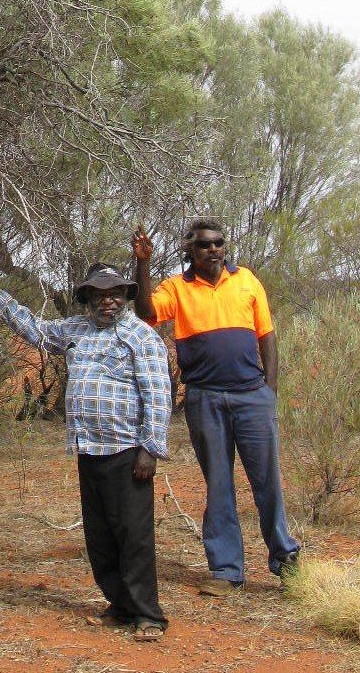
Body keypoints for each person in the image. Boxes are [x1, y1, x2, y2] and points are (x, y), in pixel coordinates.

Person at [0, 263, 171, 641]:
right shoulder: (75, 330)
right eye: (99, 295)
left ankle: (148, 615)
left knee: (134, 535)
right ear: (88, 299)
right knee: (100, 536)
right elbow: (36, 330)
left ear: (126, 297)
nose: (107, 301)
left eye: (115, 294)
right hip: (88, 449)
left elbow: (158, 395)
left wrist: (150, 448)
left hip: (126, 450)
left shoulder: (140, 337)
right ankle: (120, 604)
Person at [131, 218, 301, 595]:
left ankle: (286, 561)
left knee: (267, 482)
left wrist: (268, 392)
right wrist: (142, 262)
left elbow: (267, 338)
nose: (213, 250)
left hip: (251, 396)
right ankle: (227, 570)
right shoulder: (176, 287)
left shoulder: (246, 280)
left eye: (219, 243)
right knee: (219, 484)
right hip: (205, 398)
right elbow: (146, 311)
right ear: (189, 250)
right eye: (205, 245)